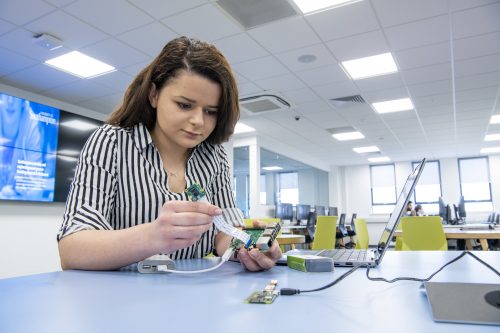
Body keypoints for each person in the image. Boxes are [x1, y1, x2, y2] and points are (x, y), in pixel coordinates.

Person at [57, 36, 282, 272]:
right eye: (184, 105)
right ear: (154, 95)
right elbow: (72, 249)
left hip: (194, 295)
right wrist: (154, 236)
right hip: (121, 300)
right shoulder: (111, 142)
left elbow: (223, 234)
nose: (198, 121)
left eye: (211, 111)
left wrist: (249, 248)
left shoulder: (214, 156)